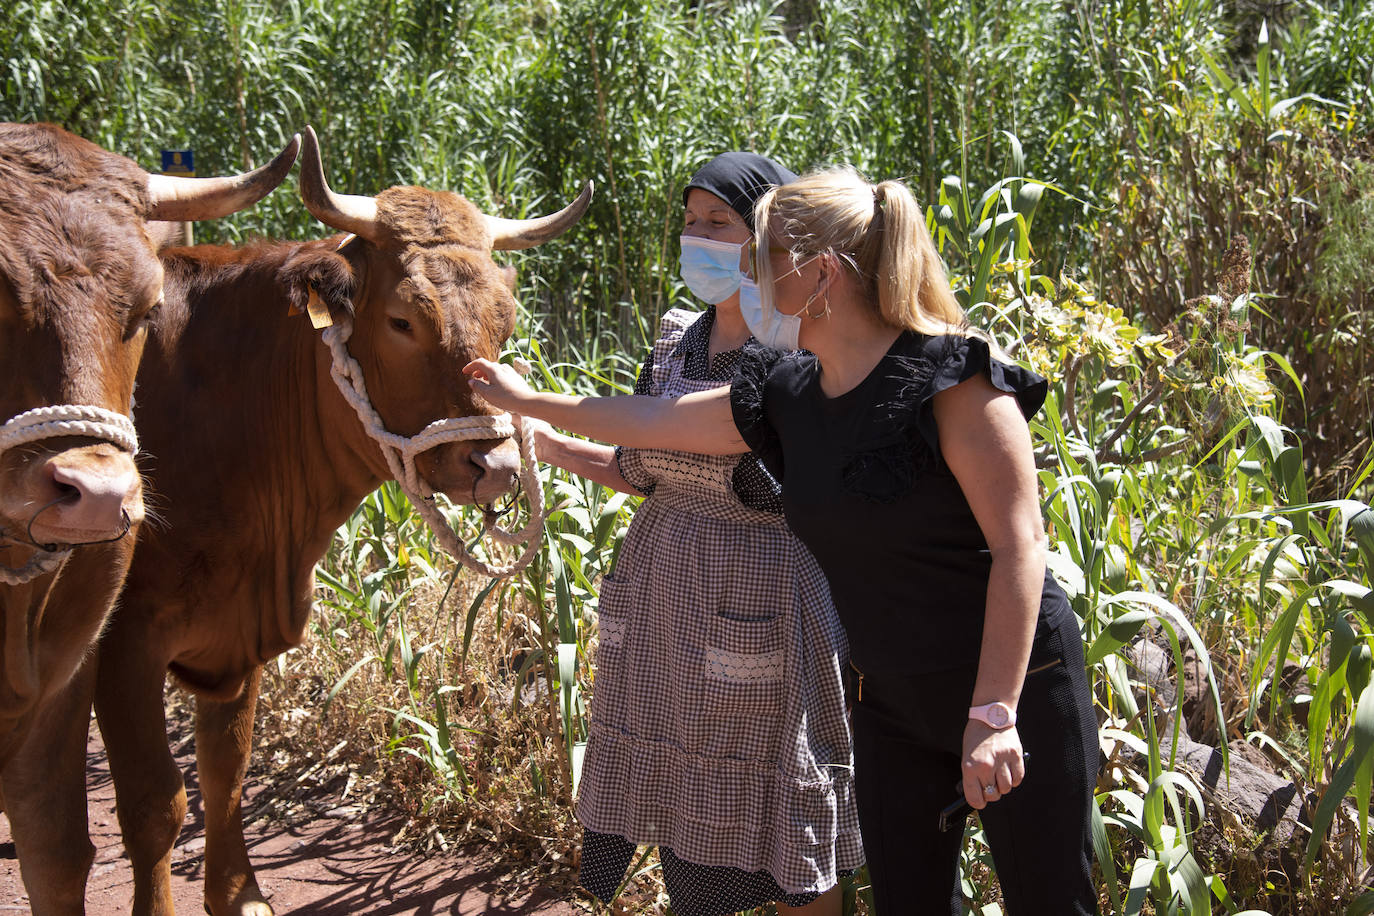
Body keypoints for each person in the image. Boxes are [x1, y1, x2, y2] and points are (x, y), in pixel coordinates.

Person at [466, 166, 1100, 915]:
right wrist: (525, 400)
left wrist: (993, 714)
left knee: (1051, 901)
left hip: (1012, 682)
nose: (745, 270)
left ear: (820, 273)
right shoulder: (788, 391)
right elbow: (654, 422)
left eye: (759, 253)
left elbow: (1022, 547)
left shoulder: (956, 381)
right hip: (891, 699)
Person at [520, 153, 863, 916]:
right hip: (665, 593)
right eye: (689, 223)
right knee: (688, 808)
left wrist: (543, 405)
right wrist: (542, 447)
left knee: (783, 802)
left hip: (764, 593)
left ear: (768, 238)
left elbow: (705, 441)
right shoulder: (677, 339)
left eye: (718, 223)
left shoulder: (800, 351)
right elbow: (646, 468)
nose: (697, 238)